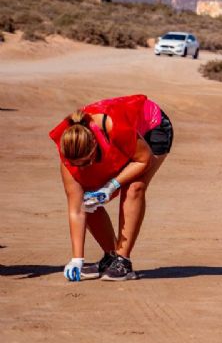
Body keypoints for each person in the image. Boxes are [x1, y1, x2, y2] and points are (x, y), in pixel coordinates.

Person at [49, 94, 173, 282]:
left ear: (93, 145)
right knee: (87, 197)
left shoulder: (112, 126)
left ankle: (123, 262)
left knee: (134, 187)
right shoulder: (68, 150)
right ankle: (110, 257)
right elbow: (76, 209)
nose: (84, 168)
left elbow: (143, 160)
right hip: (120, 139)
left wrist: (111, 186)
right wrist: (77, 259)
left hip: (152, 126)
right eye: (78, 164)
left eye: (87, 161)